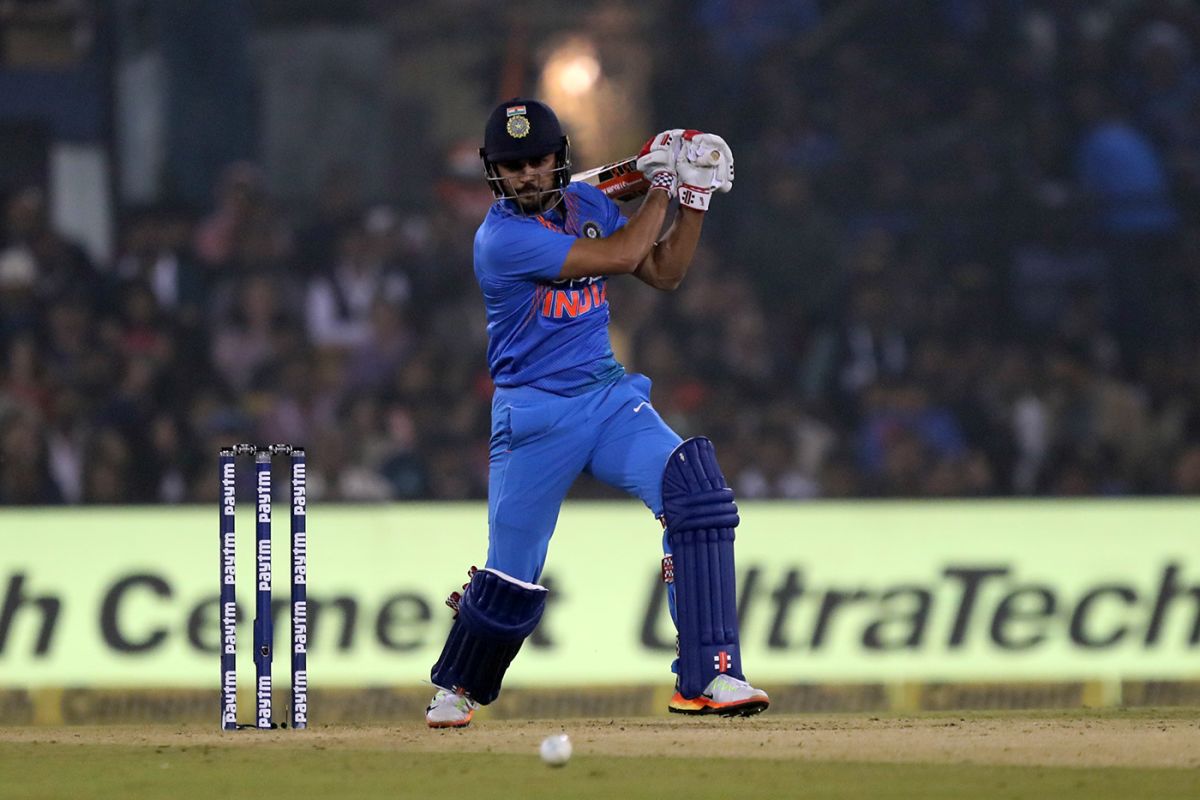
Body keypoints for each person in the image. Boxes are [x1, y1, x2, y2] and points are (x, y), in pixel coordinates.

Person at [424, 98, 769, 728]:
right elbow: (615, 257)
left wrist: (693, 200)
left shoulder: (591, 206)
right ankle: (457, 685)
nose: (526, 175)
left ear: (560, 158)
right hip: (533, 416)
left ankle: (712, 675)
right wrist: (662, 185)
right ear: (493, 174)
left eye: (537, 161)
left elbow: (661, 271)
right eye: (512, 166)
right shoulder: (501, 239)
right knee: (513, 575)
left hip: (609, 399)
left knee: (696, 493)